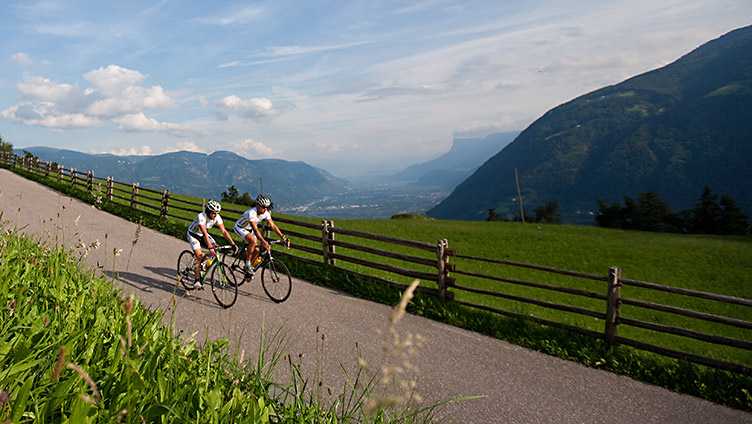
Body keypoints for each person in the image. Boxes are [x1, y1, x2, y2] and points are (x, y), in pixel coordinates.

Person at [186, 199, 238, 289]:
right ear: (209, 211)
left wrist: (233, 243)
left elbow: (224, 231)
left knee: (215, 249)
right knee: (198, 255)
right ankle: (197, 280)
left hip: (203, 235)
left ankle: (201, 263)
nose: (215, 215)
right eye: (214, 213)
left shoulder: (217, 217)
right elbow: (204, 232)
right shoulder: (201, 217)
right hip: (193, 235)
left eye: (217, 213)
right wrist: (210, 246)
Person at [234, 194, 288, 275]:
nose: (265, 209)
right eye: (263, 207)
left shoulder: (266, 213)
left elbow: (272, 225)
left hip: (249, 229)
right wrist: (263, 241)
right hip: (240, 228)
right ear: (258, 205)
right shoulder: (251, 213)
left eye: (266, 207)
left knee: (257, 250)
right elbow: (255, 229)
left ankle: (247, 267)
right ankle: (248, 264)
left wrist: (282, 237)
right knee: (253, 241)